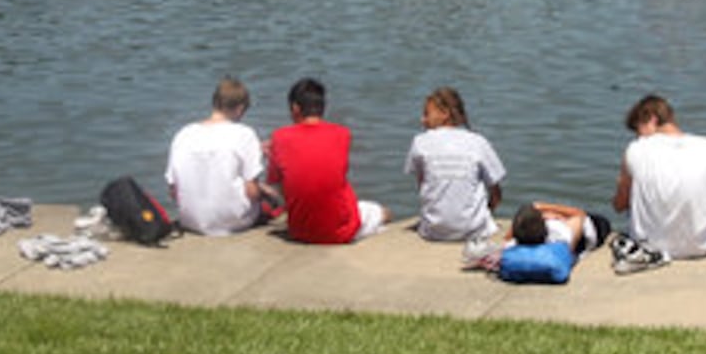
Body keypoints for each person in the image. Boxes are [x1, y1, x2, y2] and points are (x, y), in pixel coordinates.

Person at [612, 94, 706, 269]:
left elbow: (619, 205)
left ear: (651, 119)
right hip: (701, 247)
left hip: (650, 247)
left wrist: (623, 181)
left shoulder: (636, 149)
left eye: (638, 130)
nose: (638, 137)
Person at [266, 78, 389, 245]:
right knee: (383, 212)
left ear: (295, 109)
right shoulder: (342, 134)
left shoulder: (278, 137)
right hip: (340, 231)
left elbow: (276, 184)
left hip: (299, 231)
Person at [164, 77, 280, 236]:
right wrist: (264, 192)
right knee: (272, 197)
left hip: (190, 220)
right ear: (240, 109)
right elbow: (252, 193)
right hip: (234, 221)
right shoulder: (245, 135)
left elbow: (173, 191)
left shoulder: (183, 134)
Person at [404, 86, 506, 242]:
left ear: (445, 114)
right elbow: (496, 194)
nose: (422, 119)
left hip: (433, 231)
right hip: (474, 231)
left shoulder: (420, 142)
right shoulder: (478, 142)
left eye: (426, 114)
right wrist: (487, 210)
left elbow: (423, 187)